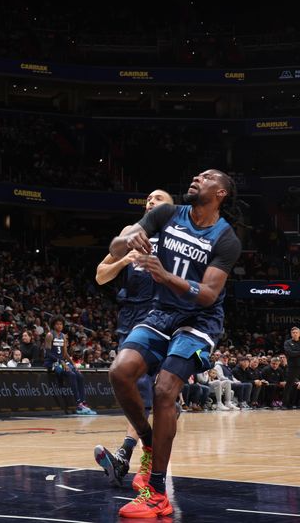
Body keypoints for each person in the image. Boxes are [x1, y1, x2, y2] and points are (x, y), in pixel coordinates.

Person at [109, 169, 241, 518]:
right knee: (120, 372)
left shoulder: (226, 239)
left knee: (165, 389)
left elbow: (209, 294)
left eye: (207, 177)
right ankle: (149, 440)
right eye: (197, 176)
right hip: (162, 312)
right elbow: (114, 247)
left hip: (200, 323)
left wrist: (165, 276)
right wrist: (128, 242)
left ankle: (156, 492)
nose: (197, 178)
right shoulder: (166, 213)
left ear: (221, 193)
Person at [93, 189, 173, 488]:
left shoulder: (177, 238)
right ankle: (132, 456)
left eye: (159, 200)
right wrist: (124, 260)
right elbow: (101, 275)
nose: (151, 203)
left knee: (155, 390)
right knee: (136, 390)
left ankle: (132, 454)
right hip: (131, 315)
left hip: (163, 314)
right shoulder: (129, 234)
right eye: (149, 200)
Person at [43, 316, 95, 415]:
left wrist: (73, 364)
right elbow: (48, 353)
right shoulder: (50, 335)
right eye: (57, 324)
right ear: (53, 325)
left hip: (61, 361)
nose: (60, 326)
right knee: (71, 374)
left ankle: (83, 403)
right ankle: (78, 405)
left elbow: (65, 354)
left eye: (61, 324)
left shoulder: (63, 336)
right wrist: (60, 361)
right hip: (51, 362)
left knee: (79, 375)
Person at [282, 326, 300, 408]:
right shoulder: (287, 343)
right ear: (291, 334)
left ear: (299, 334)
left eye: (296, 332)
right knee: (289, 385)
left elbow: (294, 353)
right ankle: (285, 404)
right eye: (293, 333)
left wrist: (296, 352)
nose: (295, 334)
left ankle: (295, 403)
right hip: (293, 367)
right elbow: (290, 353)